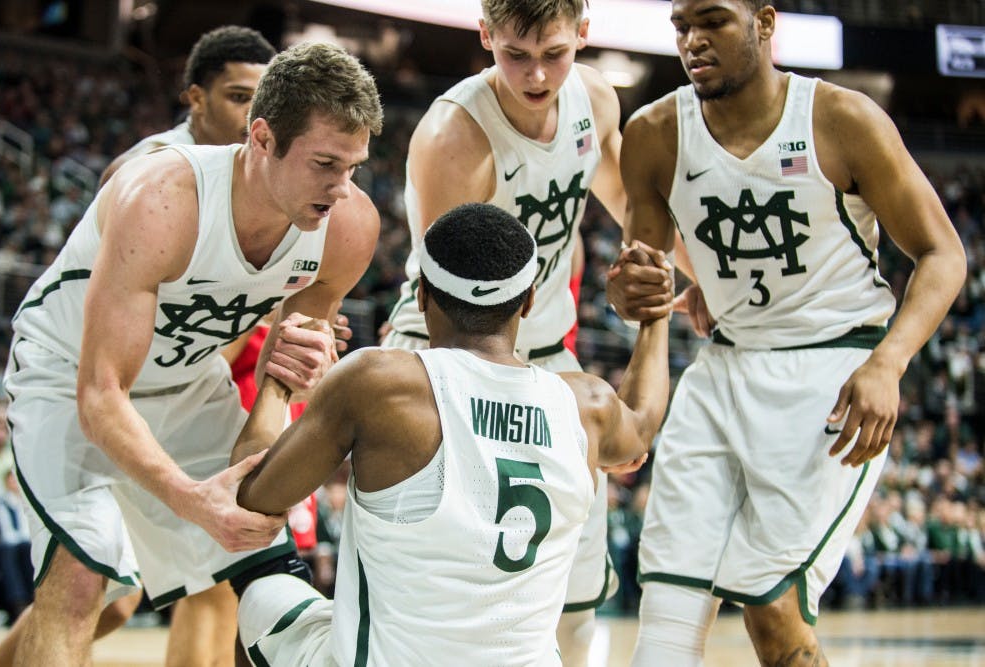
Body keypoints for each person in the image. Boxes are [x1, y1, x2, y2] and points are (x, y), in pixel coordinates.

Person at [607, 1, 967, 665]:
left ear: (765, 23)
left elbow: (944, 255)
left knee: (772, 608)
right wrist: (630, 291)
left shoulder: (842, 118)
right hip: (722, 367)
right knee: (664, 620)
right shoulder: (654, 132)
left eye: (712, 20)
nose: (693, 41)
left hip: (832, 371)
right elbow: (646, 284)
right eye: (681, 25)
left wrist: (889, 363)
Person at [2, 41, 383, 666]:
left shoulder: (347, 228)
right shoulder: (163, 199)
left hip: (185, 382)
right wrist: (189, 498)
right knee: (83, 576)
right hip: (70, 375)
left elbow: (276, 394)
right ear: (261, 138)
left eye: (354, 167)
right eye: (324, 164)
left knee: (266, 553)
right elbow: (100, 396)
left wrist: (285, 395)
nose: (341, 188)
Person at [230, 202, 671, 666]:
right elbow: (642, 421)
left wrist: (280, 382)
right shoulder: (588, 407)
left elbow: (249, 496)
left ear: (422, 296)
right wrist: (655, 314)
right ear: (529, 300)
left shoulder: (380, 384)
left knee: (263, 586)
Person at [0, 25, 279, 667]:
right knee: (89, 586)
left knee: (121, 600)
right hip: (100, 385)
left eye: (264, 99)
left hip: (168, 388)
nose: (252, 115)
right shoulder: (151, 175)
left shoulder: (268, 184)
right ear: (193, 98)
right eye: (236, 96)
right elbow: (123, 317)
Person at [380, 2, 628, 661]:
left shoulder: (595, 99)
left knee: (574, 604)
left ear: (582, 34)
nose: (538, 75)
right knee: (456, 594)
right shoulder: (453, 137)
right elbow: (456, 301)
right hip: (448, 350)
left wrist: (690, 287)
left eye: (554, 53)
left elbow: (630, 201)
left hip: (546, 350)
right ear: (486, 36)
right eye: (516, 54)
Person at [99, 25, 277, 186]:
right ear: (198, 99)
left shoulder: (264, 167)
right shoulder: (145, 170)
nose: (255, 112)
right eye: (239, 97)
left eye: (263, 99)